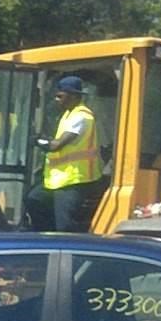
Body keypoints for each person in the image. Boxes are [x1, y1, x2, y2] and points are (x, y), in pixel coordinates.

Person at [35, 74, 106, 233]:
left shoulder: (81, 116)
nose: (56, 99)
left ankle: (69, 249)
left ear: (73, 96)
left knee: (65, 226)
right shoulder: (69, 114)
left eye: (60, 96)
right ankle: (44, 239)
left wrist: (38, 142)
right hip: (60, 178)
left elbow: (57, 146)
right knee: (34, 199)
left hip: (74, 179)